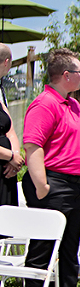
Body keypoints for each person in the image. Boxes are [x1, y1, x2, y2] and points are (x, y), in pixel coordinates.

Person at [21, 48, 80, 287]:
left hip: (76, 187)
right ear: (66, 75)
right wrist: (42, 187)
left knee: (70, 250)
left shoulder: (75, 105)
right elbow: (33, 146)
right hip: (53, 185)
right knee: (43, 248)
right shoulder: (44, 104)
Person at [0, 44, 23, 206]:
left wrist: (15, 156)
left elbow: (11, 130)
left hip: (6, 172)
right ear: (7, 62)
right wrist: (12, 156)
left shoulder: (1, 90)